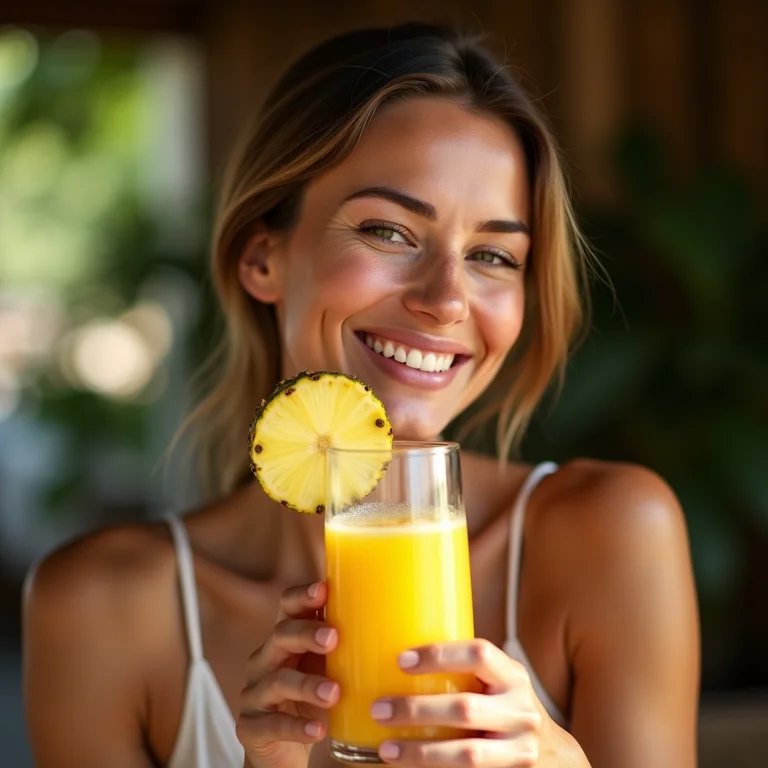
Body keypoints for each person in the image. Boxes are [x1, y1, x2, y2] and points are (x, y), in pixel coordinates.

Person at [23, 23, 699, 768]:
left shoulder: (609, 536)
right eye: (388, 230)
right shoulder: (101, 607)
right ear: (262, 258)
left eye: (492, 255)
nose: (446, 299)